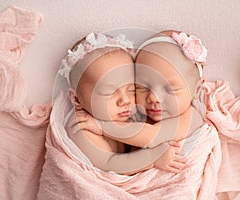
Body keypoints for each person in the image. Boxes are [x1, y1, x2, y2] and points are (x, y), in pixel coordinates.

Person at [59, 32, 186, 175]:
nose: (125, 100)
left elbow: (161, 131)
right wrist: (153, 158)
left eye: (131, 89)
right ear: (77, 99)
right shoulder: (81, 127)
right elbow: (109, 164)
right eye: (109, 93)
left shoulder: (128, 114)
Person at [75, 30, 209, 160]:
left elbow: (150, 137)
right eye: (141, 87)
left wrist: (101, 126)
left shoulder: (192, 117)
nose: (153, 98)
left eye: (170, 89)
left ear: (197, 89)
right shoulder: (136, 114)